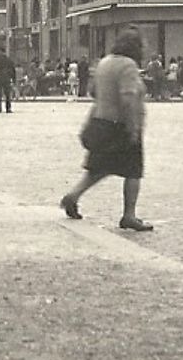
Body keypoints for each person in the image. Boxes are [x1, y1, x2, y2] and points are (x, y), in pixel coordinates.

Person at [59, 27, 153, 231]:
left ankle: (73, 196)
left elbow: (93, 91)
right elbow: (128, 97)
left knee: (98, 168)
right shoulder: (128, 65)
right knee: (133, 171)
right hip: (120, 124)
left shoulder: (105, 62)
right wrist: (134, 127)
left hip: (101, 122)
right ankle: (129, 215)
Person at [0, 44, 16, 114]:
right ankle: (8, 108)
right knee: (7, 94)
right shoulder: (9, 60)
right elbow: (12, 70)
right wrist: (13, 79)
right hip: (7, 78)